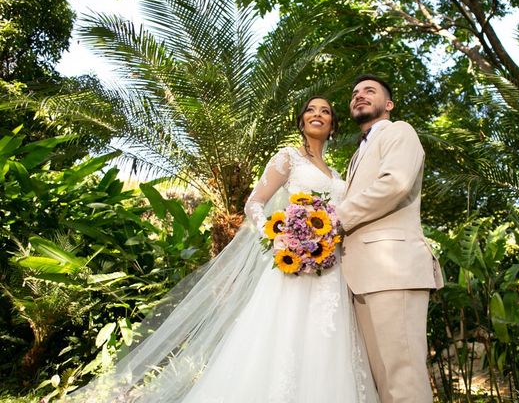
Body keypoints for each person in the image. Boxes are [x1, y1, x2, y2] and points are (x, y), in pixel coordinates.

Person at [65, 96, 379, 402]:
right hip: (293, 264)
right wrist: (278, 237)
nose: (318, 114)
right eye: (310, 109)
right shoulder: (288, 158)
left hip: (330, 269)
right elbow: (254, 203)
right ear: (301, 121)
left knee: (327, 342)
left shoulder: (337, 174)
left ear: (333, 125)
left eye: (325, 111)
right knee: (286, 339)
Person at [336, 75, 444, 403]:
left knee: (404, 378)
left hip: (393, 271)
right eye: (355, 93)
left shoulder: (400, 132)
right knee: (382, 384)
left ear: (389, 104)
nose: (359, 96)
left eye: (369, 91)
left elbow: (395, 184)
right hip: (361, 276)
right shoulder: (357, 155)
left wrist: (334, 219)